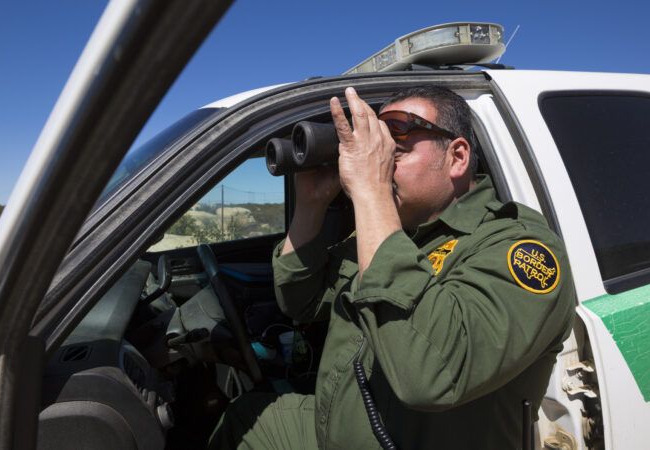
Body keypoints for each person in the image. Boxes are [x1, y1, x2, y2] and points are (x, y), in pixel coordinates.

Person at [209, 85, 576, 449]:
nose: (380, 169)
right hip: (336, 428)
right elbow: (299, 302)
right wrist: (310, 206)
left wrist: (371, 191)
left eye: (393, 154)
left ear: (457, 157)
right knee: (246, 418)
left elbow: (431, 377)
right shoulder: (394, 232)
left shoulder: (517, 247)